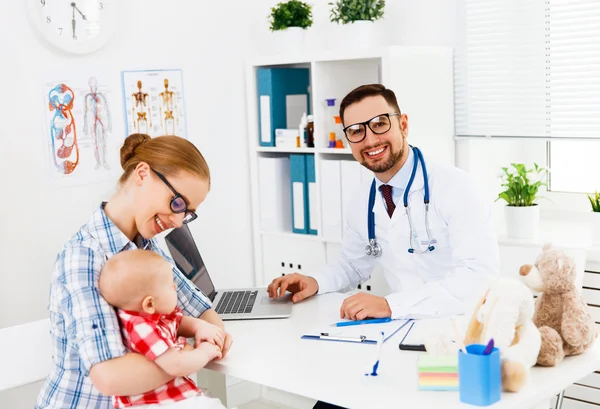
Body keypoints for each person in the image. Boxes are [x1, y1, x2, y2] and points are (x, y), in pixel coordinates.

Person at [268, 83, 500, 409]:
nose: (370, 140)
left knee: (406, 401)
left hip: (459, 342)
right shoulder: (363, 197)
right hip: (397, 335)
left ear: (403, 124)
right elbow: (352, 264)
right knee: (332, 401)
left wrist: (391, 306)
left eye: (380, 124)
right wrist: (315, 281)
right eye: (356, 131)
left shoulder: (456, 188)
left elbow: (478, 279)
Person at [36, 133, 233, 409]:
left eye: (186, 212)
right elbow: (110, 377)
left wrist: (193, 346)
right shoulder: (84, 256)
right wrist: (180, 358)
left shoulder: (147, 248)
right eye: (176, 203)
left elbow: (202, 311)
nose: (178, 222)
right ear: (142, 174)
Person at [98, 249, 230, 409]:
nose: (175, 287)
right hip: (154, 403)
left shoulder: (154, 315)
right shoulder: (140, 327)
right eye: (170, 286)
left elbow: (178, 321)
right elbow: (176, 365)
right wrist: (204, 353)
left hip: (172, 397)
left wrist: (200, 326)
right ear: (149, 304)